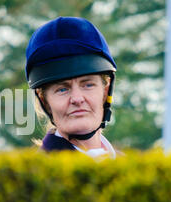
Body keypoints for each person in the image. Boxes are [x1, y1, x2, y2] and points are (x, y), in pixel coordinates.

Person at [25, 17, 119, 158]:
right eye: (62, 89)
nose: (77, 99)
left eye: (88, 85)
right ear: (45, 102)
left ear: (105, 92)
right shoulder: (36, 175)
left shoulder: (135, 168)